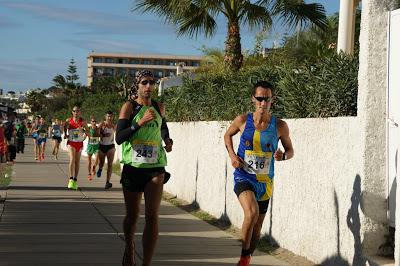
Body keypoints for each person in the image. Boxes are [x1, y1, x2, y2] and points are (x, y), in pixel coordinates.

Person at [224, 81, 294, 266]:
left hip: (265, 182)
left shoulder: (280, 126)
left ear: (272, 100)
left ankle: (246, 258)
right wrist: (232, 155)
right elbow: (227, 135)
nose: (263, 103)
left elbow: (290, 150)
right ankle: (244, 255)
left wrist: (283, 156)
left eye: (267, 99)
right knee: (251, 212)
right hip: (244, 176)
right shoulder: (242, 120)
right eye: (260, 99)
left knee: (257, 228)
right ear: (253, 99)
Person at [116, 70, 173, 266]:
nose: (149, 86)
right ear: (137, 86)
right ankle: (129, 246)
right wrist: (139, 123)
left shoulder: (159, 107)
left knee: (152, 216)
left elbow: (163, 126)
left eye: (152, 82)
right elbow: (119, 137)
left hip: (155, 167)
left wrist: (167, 139)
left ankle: (146, 263)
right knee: (132, 217)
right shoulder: (129, 107)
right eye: (144, 82)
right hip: (133, 167)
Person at [64, 106, 88, 190]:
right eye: (74, 111)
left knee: (77, 162)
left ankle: (75, 179)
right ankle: (70, 179)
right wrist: (65, 134)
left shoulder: (83, 122)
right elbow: (64, 127)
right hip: (71, 143)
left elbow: (87, 131)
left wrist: (84, 136)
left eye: (77, 111)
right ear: (72, 112)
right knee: (72, 159)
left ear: (80, 112)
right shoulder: (68, 121)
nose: (76, 113)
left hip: (79, 143)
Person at [97, 111, 116, 189]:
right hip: (102, 146)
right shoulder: (102, 124)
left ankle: (107, 182)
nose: (109, 118)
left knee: (110, 164)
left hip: (111, 146)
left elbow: (117, 133)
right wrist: (103, 135)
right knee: (101, 163)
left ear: (112, 117)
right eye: (108, 116)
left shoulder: (114, 125)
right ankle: (100, 168)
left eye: (111, 116)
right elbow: (96, 134)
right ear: (105, 116)